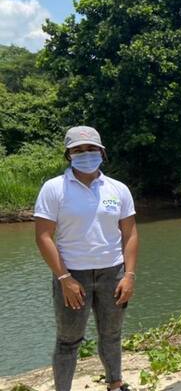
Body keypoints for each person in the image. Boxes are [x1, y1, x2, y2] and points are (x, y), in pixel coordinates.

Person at [34, 126, 139, 391]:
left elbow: (130, 233)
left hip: (112, 273)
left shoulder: (118, 189)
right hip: (72, 276)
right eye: (78, 150)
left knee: (111, 335)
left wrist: (129, 275)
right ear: (68, 155)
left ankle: (115, 384)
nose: (85, 154)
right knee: (68, 340)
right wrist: (65, 278)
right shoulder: (53, 188)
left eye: (91, 148)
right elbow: (44, 237)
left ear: (102, 152)